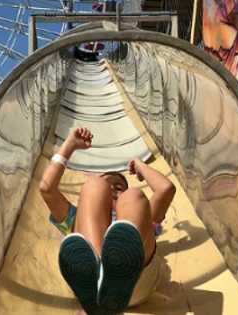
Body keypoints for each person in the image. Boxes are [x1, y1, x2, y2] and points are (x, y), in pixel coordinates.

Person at [39, 127, 176, 314]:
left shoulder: (143, 216)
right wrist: (69, 146)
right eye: (109, 184)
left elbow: (166, 189)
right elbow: (47, 189)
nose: (112, 188)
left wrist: (140, 165)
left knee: (134, 196)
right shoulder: (77, 217)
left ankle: (113, 279)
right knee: (94, 185)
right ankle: (98, 278)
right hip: (92, 285)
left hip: (138, 281)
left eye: (118, 186)